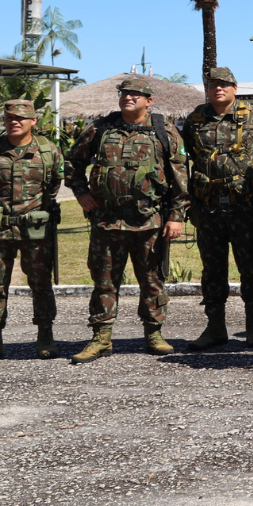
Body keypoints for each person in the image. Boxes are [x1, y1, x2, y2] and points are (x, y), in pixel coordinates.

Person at [65, 77, 190, 363]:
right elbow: (72, 163)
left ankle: (154, 333)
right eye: (124, 93)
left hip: (149, 221)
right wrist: (81, 193)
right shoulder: (100, 129)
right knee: (104, 279)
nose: (128, 98)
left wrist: (176, 216)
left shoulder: (164, 130)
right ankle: (101, 337)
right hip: (108, 221)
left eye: (135, 94)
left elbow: (181, 176)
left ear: (149, 100)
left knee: (152, 279)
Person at [181, 67, 253, 351]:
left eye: (224, 84)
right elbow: (184, 159)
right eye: (213, 84)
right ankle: (215, 328)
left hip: (244, 207)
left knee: (251, 267)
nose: (218, 88)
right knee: (212, 269)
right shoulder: (195, 119)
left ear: (235, 88)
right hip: (208, 208)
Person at [0, 99, 65, 364]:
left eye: (21, 118)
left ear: (33, 121)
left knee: (41, 284)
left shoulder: (49, 151)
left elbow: (53, 188)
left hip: (35, 231)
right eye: (10, 117)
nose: (15, 122)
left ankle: (45, 336)